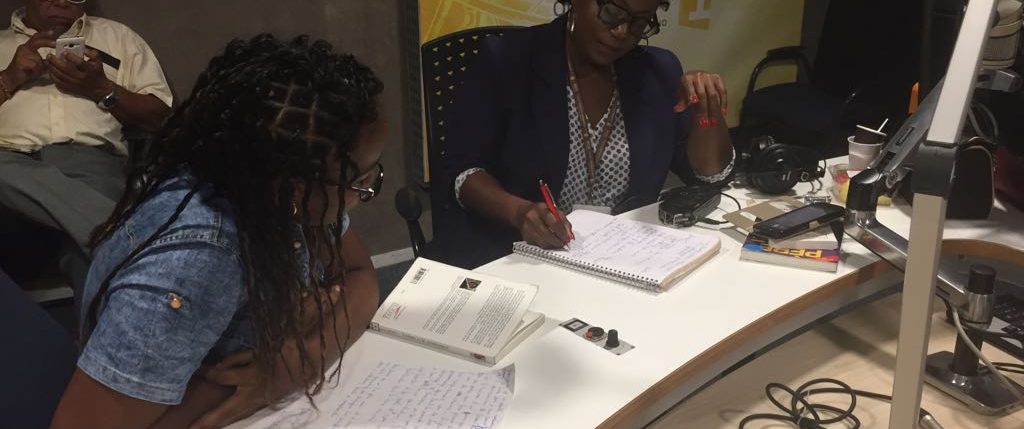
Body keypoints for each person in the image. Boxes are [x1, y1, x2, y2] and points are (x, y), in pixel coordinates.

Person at [37, 34, 384, 428]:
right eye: (361, 182)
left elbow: (362, 279)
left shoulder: (277, 187)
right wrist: (286, 356)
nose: (367, 190)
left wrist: (295, 357)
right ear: (297, 189)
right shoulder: (191, 264)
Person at [433, 0, 735, 269]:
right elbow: (463, 172)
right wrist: (519, 212)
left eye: (640, 22)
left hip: (623, 260)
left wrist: (706, 112)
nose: (622, 32)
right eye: (612, 12)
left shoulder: (658, 72)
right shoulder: (509, 59)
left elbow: (708, 175)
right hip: (519, 256)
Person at [0, 0, 172, 304]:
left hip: (91, 163)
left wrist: (101, 89)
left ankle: (109, 239)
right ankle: (131, 236)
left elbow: (161, 118)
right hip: (7, 169)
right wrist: (10, 77)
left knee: (86, 253)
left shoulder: (117, 37)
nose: (62, 1)